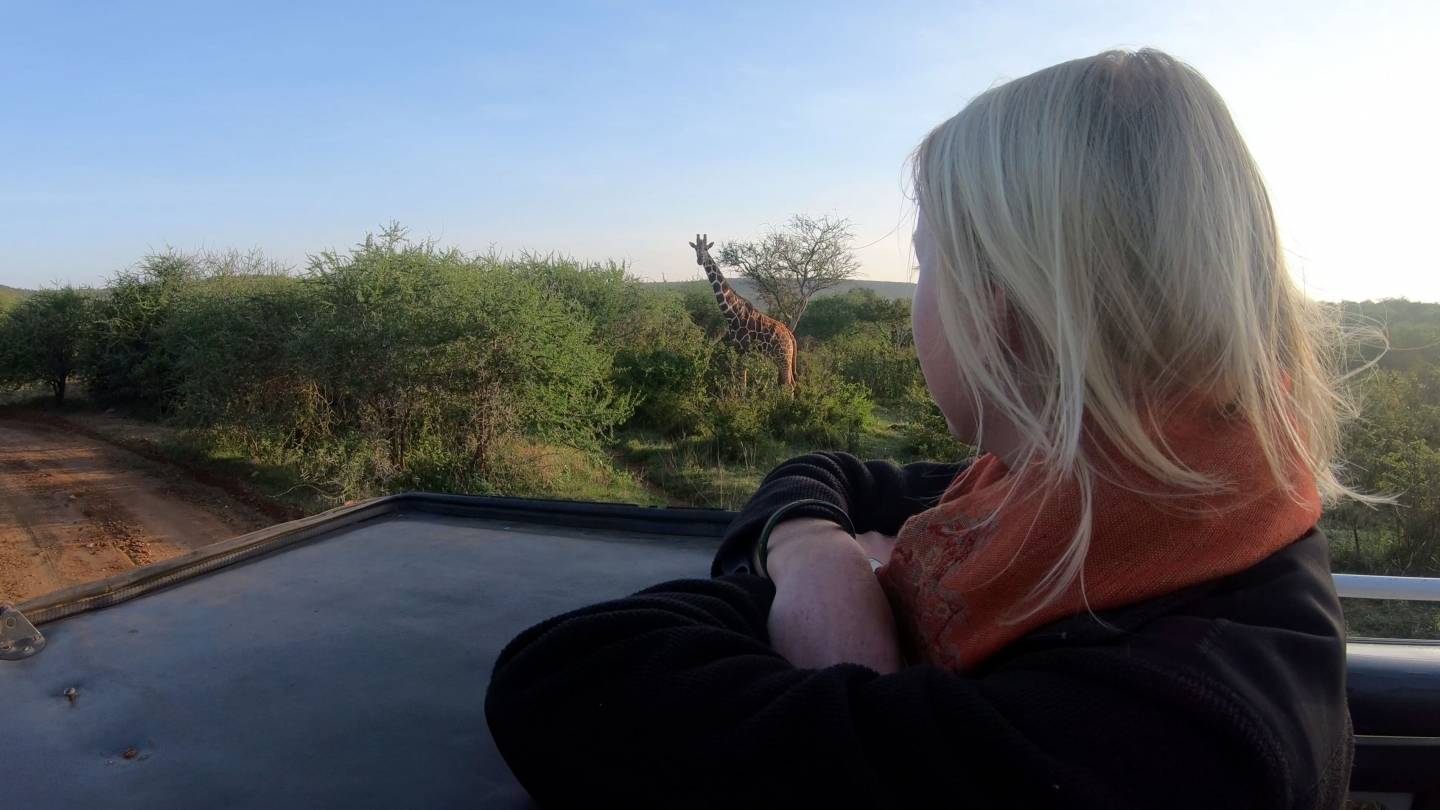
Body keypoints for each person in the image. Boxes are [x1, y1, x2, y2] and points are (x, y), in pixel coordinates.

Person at [484, 48, 1357, 808]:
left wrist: (857, 592)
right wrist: (820, 558)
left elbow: (562, 683)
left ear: (1007, 303)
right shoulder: (1088, 487)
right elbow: (833, 473)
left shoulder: (1161, 740)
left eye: (924, 260)